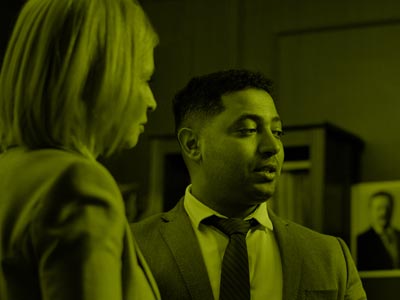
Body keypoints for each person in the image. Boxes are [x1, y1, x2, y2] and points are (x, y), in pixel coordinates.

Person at [131, 69, 367, 300]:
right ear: (192, 144)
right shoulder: (134, 248)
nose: (272, 146)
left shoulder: (329, 256)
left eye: (277, 132)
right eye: (248, 130)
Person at [0, 0, 161, 299]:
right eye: (144, 78)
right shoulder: (77, 183)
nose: (152, 101)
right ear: (97, 78)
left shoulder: (10, 170)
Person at [357, 191, 400, 270]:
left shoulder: (398, 236)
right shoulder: (361, 241)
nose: (383, 212)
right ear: (370, 211)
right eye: (379, 208)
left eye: (387, 208)